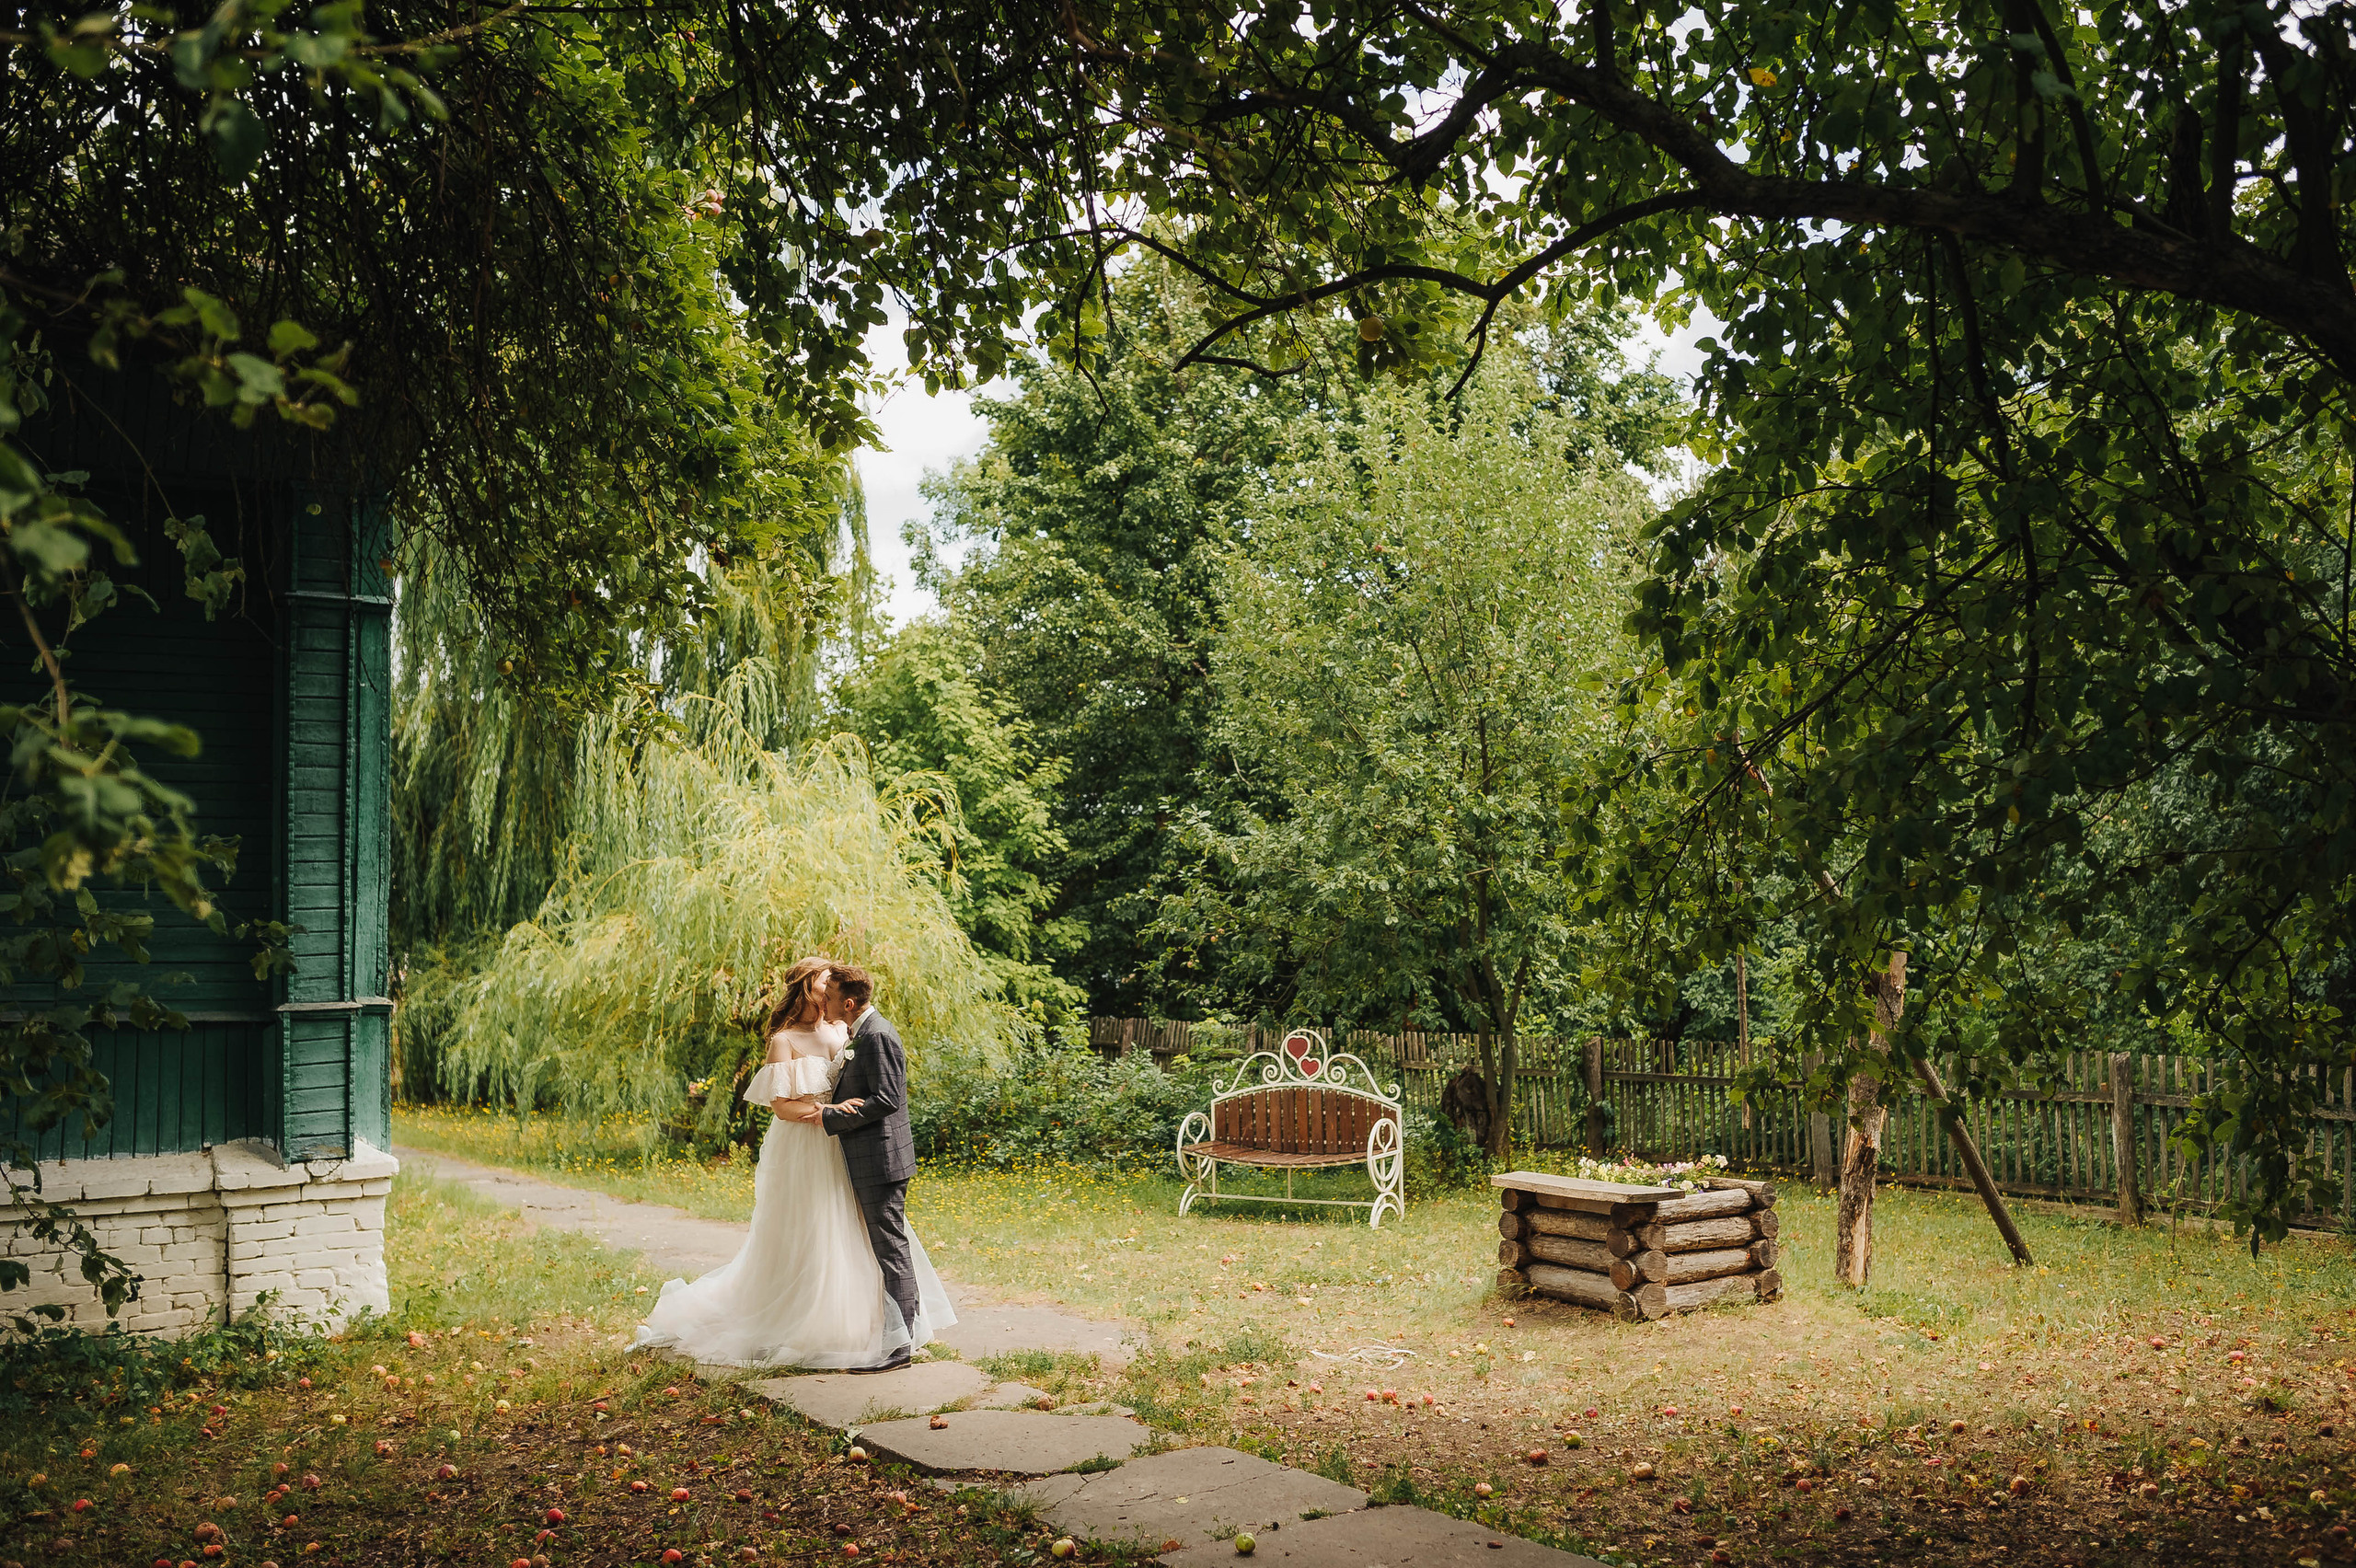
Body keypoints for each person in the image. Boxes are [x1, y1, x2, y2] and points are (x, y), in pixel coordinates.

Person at [628, 958, 954, 1369]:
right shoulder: (784, 1040)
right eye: (825, 980)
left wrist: (836, 1115)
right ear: (810, 988)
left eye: (835, 983)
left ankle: (878, 1331)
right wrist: (826, 1112)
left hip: (844, 1144)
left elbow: (875, 1089)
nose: (831, 985)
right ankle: (809, 1323)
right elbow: (782, 1108)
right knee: (811, 1232)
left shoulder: (846, 1029)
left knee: (856, 1236)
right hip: (805, 1146)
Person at [777, 963, 945, 1373]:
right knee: (888, 1247)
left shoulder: (876, 1036)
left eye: (830, 997)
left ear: (847, 1003)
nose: (824, 1001)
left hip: (881, 1159)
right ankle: (903, 1335)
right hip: (870, 1156)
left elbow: (887, 1099)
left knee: (891, 1250)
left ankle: (899, 1347)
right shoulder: (860, 1033)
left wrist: (831, 1117)